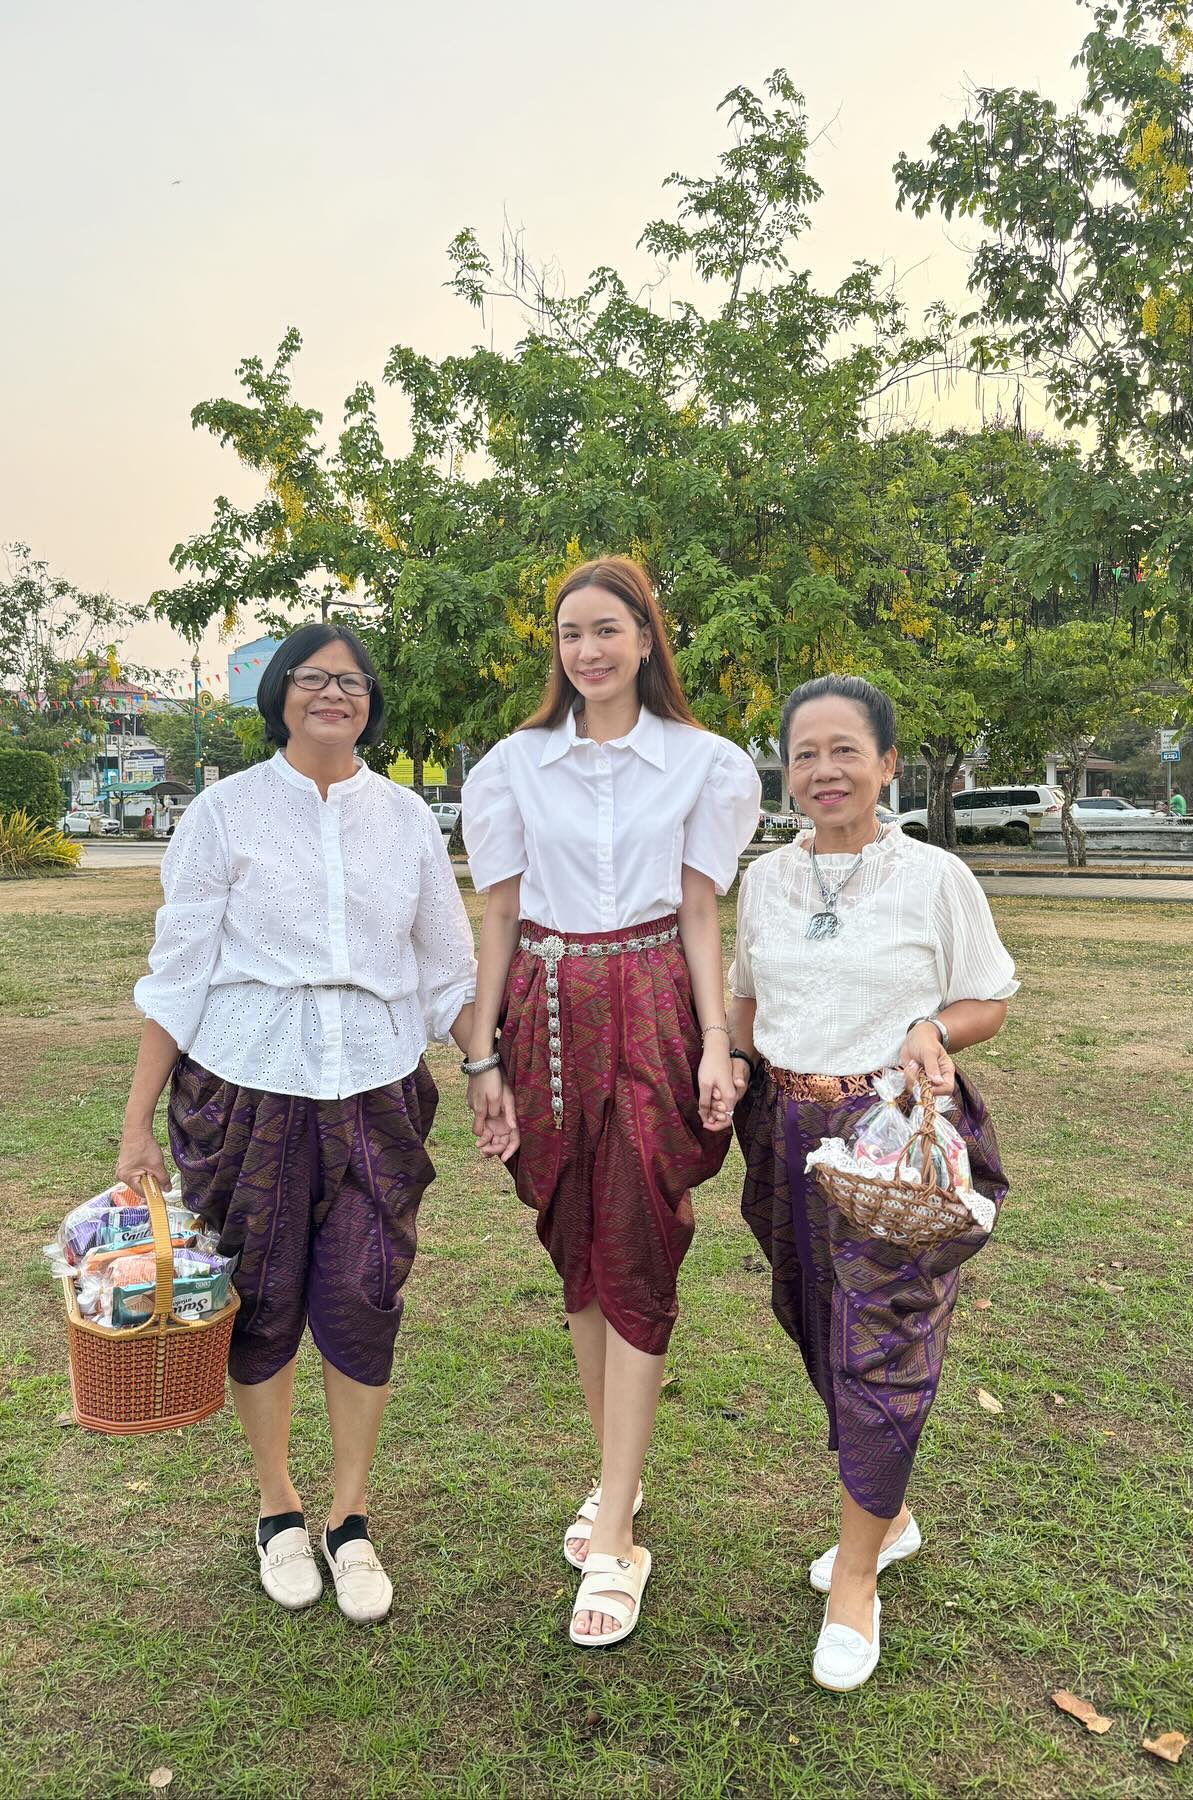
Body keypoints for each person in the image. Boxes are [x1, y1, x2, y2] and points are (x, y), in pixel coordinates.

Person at [117, 622, 509, 1625]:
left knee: (364, 1293)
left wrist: (484, 1064)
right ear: (281, 695)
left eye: (351, 681)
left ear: (371, 701)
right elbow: (179, 972)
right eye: (311, 679)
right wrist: (136, 1126)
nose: (332, 694)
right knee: (261, 1298)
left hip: (376, 1087)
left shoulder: (408, 820)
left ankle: (348, 1517)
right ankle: (277, 1507)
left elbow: (444, 969)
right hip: (246, 1083)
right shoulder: (224, 813)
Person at [460, 556, 761, 1648]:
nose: (587, 650)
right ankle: (614, 1485)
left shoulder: (704, 765)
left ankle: (620, 1540)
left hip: (650, 1008)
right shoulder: (512, 767)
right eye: (569, 633)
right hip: (541, 1010)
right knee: (578, 1247)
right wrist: (483, 1058)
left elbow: (697, 918)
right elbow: (496, 919)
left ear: (646, 637)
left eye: (607, 629)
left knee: (634, 1243)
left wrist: (717, 1043)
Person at [728, 675, 1017, 1692]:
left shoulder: (935, 878)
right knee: (815, 1324)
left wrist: (931, 1029)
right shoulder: (764, 880)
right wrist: (726, 1064)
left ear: (888, 763)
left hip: (890, 1134)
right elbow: (745, 1002)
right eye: (804, 753)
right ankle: (887, 1516)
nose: (824, 771)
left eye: (845, 750)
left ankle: (857, 1577)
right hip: (785, 1128)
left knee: (883, 1348)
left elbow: (989, 995)